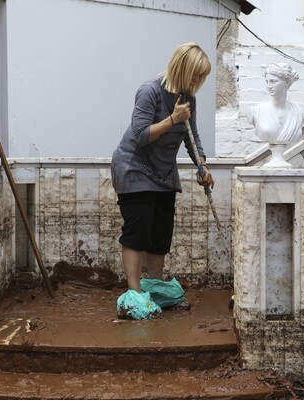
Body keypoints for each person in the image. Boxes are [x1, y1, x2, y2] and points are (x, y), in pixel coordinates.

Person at [111, 43, 214, 300]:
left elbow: (193, 138)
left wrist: (202, 165)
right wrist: (173, 119)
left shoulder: (189, 98)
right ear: (182, 67)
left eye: (201, 76)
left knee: (161, 233)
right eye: (195, 73)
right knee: (139, 231)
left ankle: (154, 287)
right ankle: (134, 295)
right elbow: (142, 135)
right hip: (134, 168)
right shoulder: (150, 91)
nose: (197, 80)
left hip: (164, 173)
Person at [246, 62, 304, 145]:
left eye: (273, 81)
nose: (269, 86)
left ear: (287, 82)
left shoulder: (298, 112)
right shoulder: (256, 111)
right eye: (267, 81)